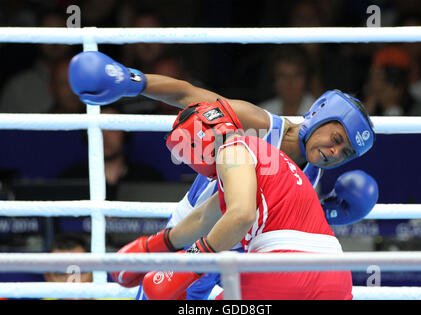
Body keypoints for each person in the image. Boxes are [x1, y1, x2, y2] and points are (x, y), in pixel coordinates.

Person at [68, 51, 379, 299]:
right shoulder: (258, 123)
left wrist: (330, 213)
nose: (335, 152)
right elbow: (188, 95)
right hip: (197, 226)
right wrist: (132, 81)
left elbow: (278, 215)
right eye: (336, 139)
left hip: (240, 250)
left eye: (346, 152)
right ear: (320, 113)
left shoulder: (313, 171)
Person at [127, 99, 356, 300]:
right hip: (336, 275)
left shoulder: (232, 149)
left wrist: (190, 263)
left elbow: (241, 215)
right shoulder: (271, 158)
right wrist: (151, 246)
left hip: (283, 268)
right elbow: (206, 215)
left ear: (201, 142)